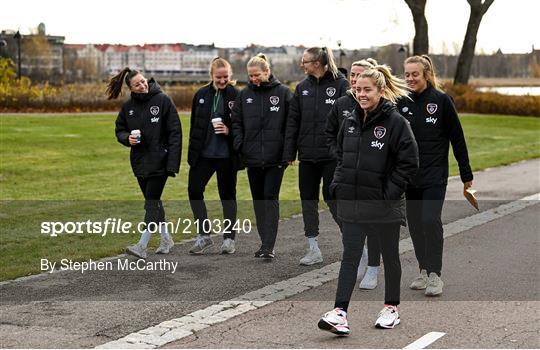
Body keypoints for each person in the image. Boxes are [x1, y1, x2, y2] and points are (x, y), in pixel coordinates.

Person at [318, 65, 418, 335]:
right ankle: (340, 312)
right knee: (349, 258)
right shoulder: (349, 120)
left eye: (367, 90)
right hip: (352, 203)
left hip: (384, 206)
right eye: (357, 90)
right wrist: (338, 185)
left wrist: (389, 194)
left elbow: (409, 163)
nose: (361, 94)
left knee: (390, 256)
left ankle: (391, 308)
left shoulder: (396, 123)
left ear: (381, 91)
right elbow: (341, 157)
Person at [399, 55, 474, 296]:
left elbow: (458, 139)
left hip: (435, 175)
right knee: (415, 225)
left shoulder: (441, 101)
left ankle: (435, 275)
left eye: (415, 74)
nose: (410, 79)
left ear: (427, 75)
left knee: (430, 220)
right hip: (409, 177)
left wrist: (466, 175)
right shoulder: (401, 102)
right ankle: (423, 269)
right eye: (407, 74)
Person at [283, 47, 350, 266]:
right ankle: (313, 248)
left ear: (317, 63)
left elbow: (348, 122)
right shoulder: (302, 87)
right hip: (308, 156)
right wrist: (289, 152)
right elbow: (293, 121)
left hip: (332, 156)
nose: (302, 65)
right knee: (307, 200)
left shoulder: (341, 85)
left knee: (333, 198)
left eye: (305, 61)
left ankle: (352, 242)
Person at [109, 68, 182, 259]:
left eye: (143, 81)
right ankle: (166, 239)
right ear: (130, 88)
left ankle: (142, 245)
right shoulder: (128, 107)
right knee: (154, 203)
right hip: (140, 163)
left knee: (151, 203)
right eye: (137, 84)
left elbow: (175, 132)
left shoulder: (163, 100)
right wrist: (127, 139)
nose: (142, 86)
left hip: (160, 162)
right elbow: (120, 130)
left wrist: (172, 164)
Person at [326, 58, 382, 289]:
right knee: (342, 212)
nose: (355, 81)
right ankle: (359, 255)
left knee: (374, 223)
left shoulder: (385, 106)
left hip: (373, 178)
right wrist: (342, 156)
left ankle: (373, 268)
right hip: (347, 174)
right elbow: (330, 134)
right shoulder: (341, 104)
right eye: (353, 77)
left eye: (361, 77)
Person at [231, 53, 293, 259]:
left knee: (270, 197)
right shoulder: (243, 95)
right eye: (250, 75)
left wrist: (288, 153)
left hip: (276, 158)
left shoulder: (284, 93)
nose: (253, 78)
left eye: (257, 74)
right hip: (252, 157)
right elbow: (236, 122)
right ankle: (264, 242)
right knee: (258, 200)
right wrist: (241, 144)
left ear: (267, 72)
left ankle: (268, 245)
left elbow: (291, 126)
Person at [187, 57, 240, 255]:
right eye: (219, 77)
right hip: (204, 154)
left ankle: (229, 238)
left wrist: (229, 131)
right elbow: (194, 125)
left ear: (230, 75)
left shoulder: (236, 95)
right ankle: (204, 236)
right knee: (194, 190)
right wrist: (193, 152)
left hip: (226, 155)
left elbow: (242, 126)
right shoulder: (201, 94)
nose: (222, 80)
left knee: (227, 195)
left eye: (226, 76)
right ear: (211, 75)